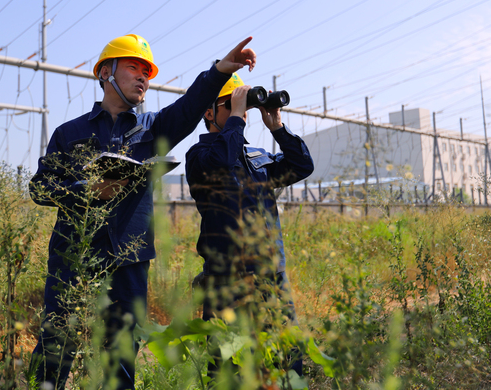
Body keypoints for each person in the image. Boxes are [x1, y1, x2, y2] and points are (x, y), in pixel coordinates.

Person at [29, 34, 257, 389]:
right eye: (134, 67)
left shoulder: (152, 129)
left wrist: (221, 69)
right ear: (106, 73)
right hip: (73, 256)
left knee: (120, 357)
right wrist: (83, 191)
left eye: (146, 72)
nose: (143, 78)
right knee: (56, 346)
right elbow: (40, 187)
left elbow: (190, 106)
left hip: (129, 260)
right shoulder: (69, 133)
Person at [185, 74, 314, 382]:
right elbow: (221, 160)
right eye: (230, 104)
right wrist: (237, 120)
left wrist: (277, 127)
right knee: (229, 371)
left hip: (272, 278)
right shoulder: (200, 157)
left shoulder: (259, 157)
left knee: (286, 362)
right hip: (226, 281)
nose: (239, 111)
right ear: (208, 112)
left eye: (241, 105)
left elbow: (302, 166)